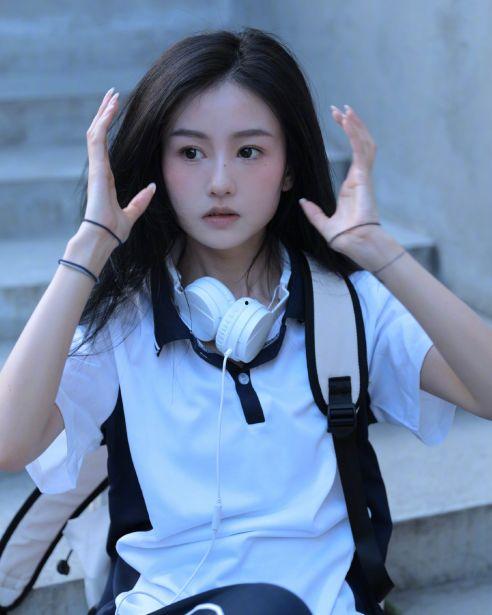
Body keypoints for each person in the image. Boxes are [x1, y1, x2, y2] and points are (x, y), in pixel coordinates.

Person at [0, 26, 491, 615]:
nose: (220, 182)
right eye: (190, 153)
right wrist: (89, 249)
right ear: (158, 166)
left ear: (289, 167)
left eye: (249, 151)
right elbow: (9, 442)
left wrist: (382, 254)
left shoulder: (346, 306)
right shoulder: (125, 324)